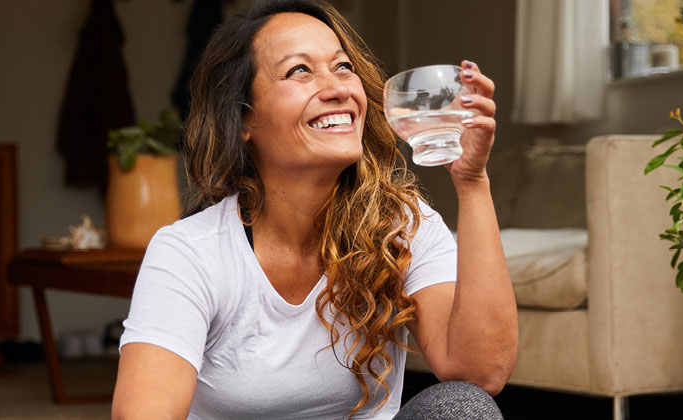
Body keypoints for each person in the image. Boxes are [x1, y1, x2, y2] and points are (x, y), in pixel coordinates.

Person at [111, 0, 517, 418]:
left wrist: (472, 184)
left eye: (343, 67)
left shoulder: (402, 225)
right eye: (299, 70)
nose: (339, 88)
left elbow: (479, 372)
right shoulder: (190, 252)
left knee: (463, 407)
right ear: (243, 119)